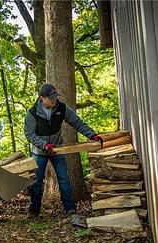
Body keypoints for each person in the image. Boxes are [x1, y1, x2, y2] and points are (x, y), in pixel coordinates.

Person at [24, 83, 102, 227]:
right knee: (37, 182)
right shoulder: (32, 113)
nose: (54, 101)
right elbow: (29, 134)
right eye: (51, 98)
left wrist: (92, 135)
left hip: (57, 149)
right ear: (42, 98)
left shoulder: (62, 108)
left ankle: (70, 209)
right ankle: (34, 211)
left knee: (64, 179)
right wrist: (44, 145)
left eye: (55, 97)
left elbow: (77, 123)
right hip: (39, 152)